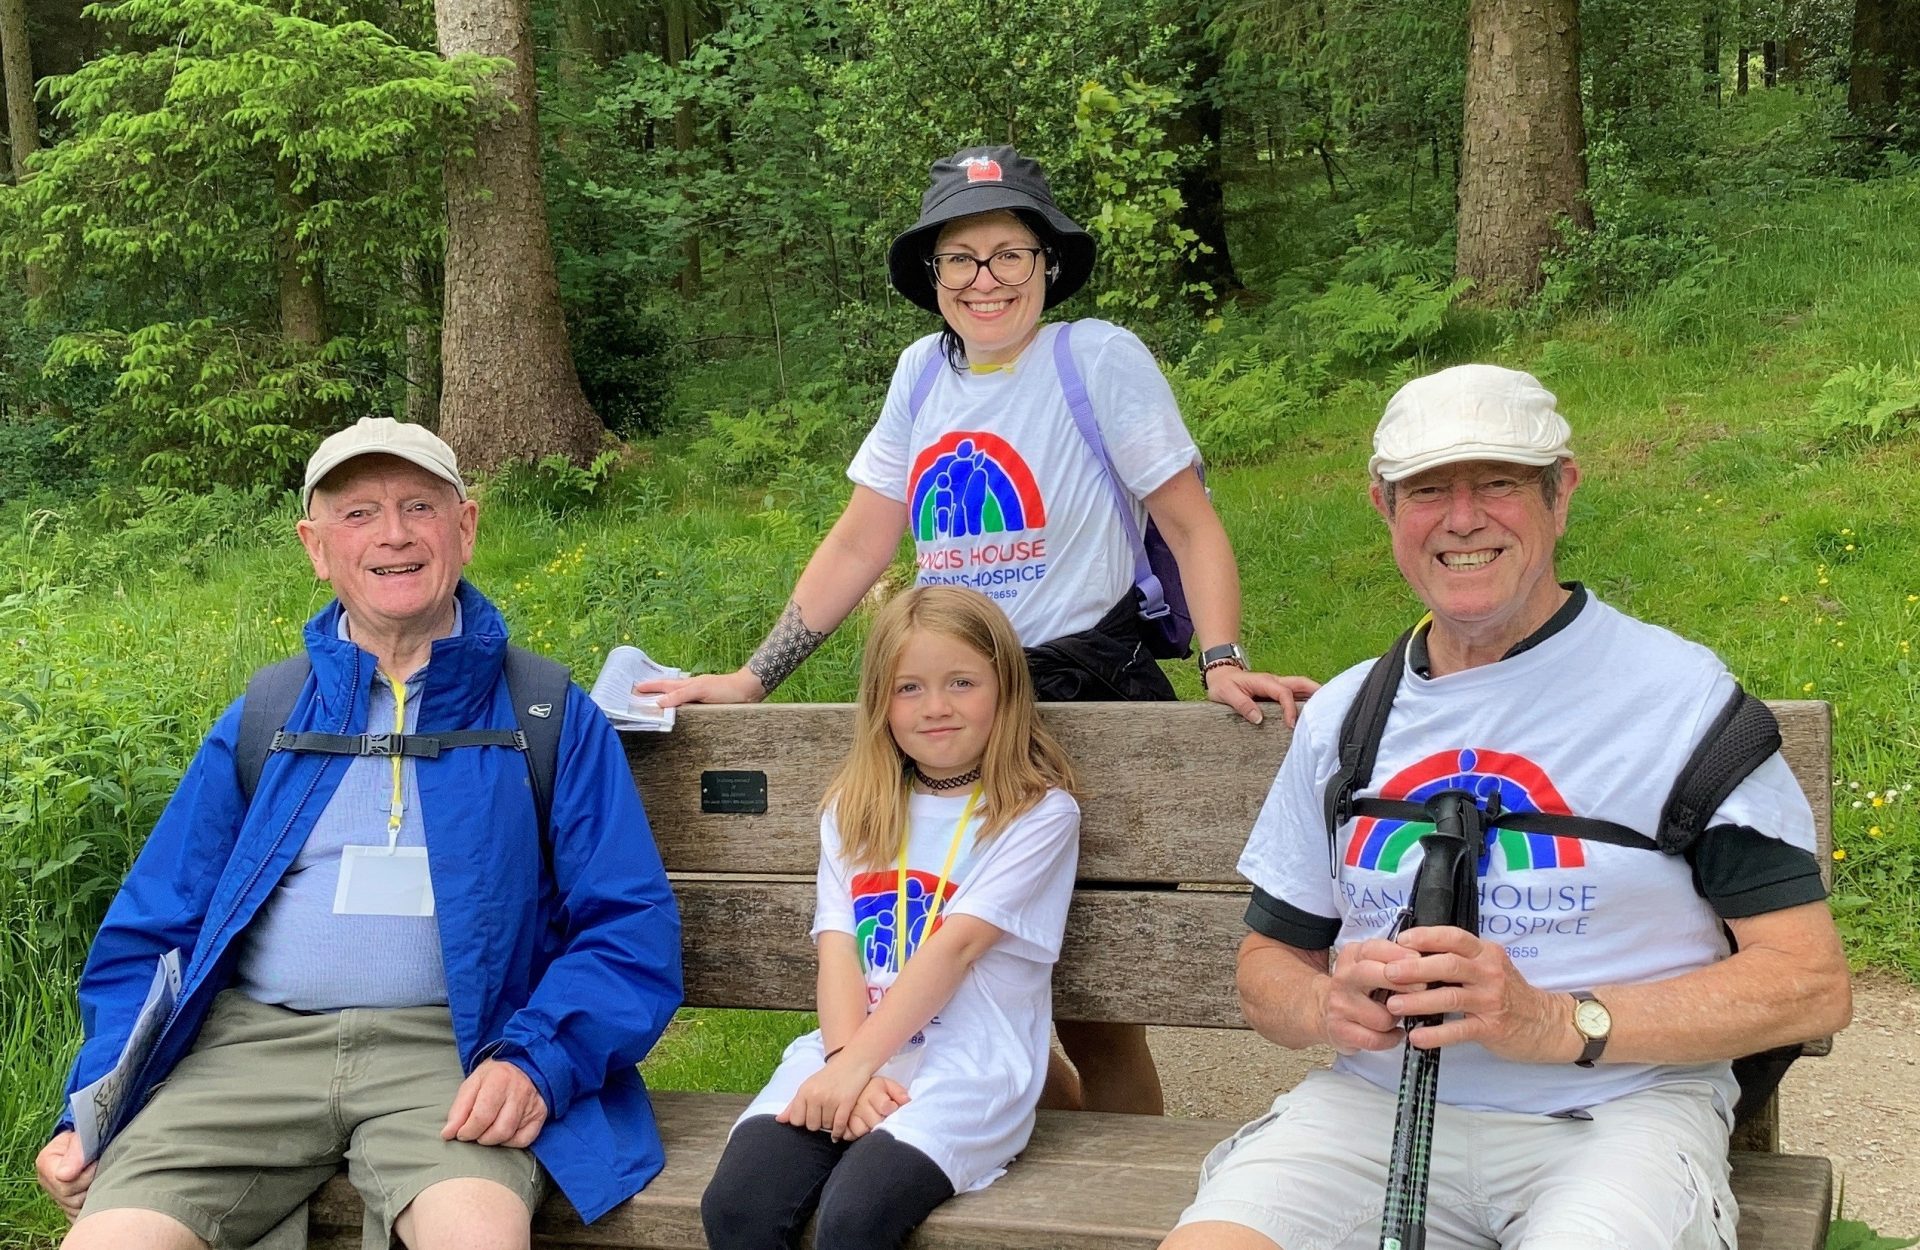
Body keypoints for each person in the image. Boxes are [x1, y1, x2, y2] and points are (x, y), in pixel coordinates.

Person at [642, 144, 1317, 1115]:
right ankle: (1007, 1167)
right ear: (931, 274)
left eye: (1008, 253)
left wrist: (1219, 659)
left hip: (1084, 696)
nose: (984, 278)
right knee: (964, 987)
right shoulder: (921, 377)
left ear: (1047, 262)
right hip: (951, 708)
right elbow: (859, 543)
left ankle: (1117, 1200)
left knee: (1099, 1001)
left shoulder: (1096, 360)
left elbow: (1189, 521)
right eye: (961, 258)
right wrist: (753, 676)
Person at [1162, 365, 1852, 1250]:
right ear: (1383, 507)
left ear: (1560, 493)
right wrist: (1326, 1005)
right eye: (1426, 490)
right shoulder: (1345, 716)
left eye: (1498, 483)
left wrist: (1559, 1022)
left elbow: (1809, 981)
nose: (1461, 518)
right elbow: (1267, 966)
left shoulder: (1677, 700)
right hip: (1373, 1113)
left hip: (1612, 1118)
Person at [36, 418, 683, 1250]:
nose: (393, 534)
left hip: (458, 1050)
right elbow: (155, 925)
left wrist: (536, 1059)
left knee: (477, 1239)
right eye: (358, 513)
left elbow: (628, 925)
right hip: (251, 1052)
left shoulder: (545, 713)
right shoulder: (266, 716)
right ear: (316, 545)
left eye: (420, 504)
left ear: (466, 527)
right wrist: (95, 1099)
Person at [699, 585, 1080, 1249]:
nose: (936, 707)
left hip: (969, 1068)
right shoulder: (854, 808)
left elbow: (956, 949)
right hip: (850, 1044)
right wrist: (847, 1061)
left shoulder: (1036, 816)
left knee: (856, 1217)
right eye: (910, 688)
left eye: (961, 682)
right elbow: (838, 948)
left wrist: (855, 1072)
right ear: (881, 702)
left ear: (1006, 689)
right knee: (739, 1206)